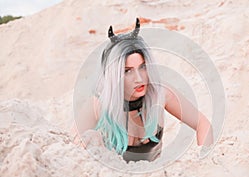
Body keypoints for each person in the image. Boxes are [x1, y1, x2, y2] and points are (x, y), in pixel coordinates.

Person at [72, 18, 213, 162]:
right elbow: (70, 148)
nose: (139, 78)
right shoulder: (99, 104)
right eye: (127, 71)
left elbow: (203, 124)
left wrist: (204, 161)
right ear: (113, 76)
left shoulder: (161, 94)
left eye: (143, 67)